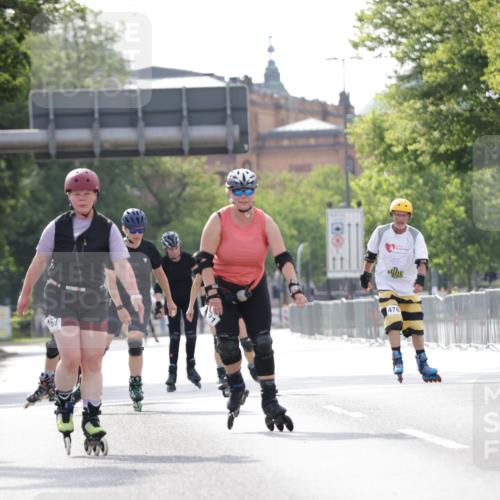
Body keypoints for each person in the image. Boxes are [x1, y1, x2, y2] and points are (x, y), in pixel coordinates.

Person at [17, 168, 144, 455]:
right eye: (77, 193)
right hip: (59, 295)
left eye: (88, 193)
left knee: (93, 362)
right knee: (71, 357)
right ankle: (63, 404)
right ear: (69, 197)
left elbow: (122, 265)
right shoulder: (56, 226)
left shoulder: (108, 228)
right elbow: (38, 262)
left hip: (93, 298)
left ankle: (91, 418)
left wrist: (134, 293)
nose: (82, 198)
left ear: (96, 195)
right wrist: (25, 293)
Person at [196, 168, 308, 431]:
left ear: (255, 191)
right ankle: (236, 385)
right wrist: (211, 292)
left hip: (254, 287)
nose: (243, 196)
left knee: (263, 342)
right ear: (229, 193)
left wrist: (295, 287)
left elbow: (283, 258)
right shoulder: (218, 220)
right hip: (222, 288)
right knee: (226, 345)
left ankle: (270, 399)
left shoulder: (265, 221)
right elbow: (203, 260)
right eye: (238, 191)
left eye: (248, 190)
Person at [360, 198, 441, 383]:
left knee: (416, 327)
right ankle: (397, 358)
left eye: (403, 215)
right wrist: (365, 276)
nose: (400, 218)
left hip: (409, 287)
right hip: (386, 286)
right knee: (394, 321)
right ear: (392, 215)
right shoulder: (381, 232)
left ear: (409, 217)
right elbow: (370, 256)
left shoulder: (415, 235)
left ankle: (423, 363)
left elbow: (422, 261)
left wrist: (420, 280)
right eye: (397, 214)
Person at [105, 208, 177, 411]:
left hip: (140, 303)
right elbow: (110, 282)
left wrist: (169, 300)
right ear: (124, 229)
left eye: (140, 229)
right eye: (132, 229)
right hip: (115, 300)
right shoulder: (114, 248)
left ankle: (135, 383)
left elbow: (161, 276)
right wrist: (119, 307)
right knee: (101, 347)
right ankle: (82, 381)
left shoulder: (149, 248)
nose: (137, 233)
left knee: (135, 341)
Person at [186, 275, 257, 397]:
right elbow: (196, 283)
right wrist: (191, 306)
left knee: (246, 342)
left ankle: (252, 366)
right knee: (220, 343)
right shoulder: (206, 261)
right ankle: (223, 373)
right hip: (214, 306)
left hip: (233, 303)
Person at [154, 231, 201, 392]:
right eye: (170, 249)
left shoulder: (189, 259)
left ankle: (191, 367)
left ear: (179, 246)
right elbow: (158, 285)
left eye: (176, 247)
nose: (174, 251)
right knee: (174, 336)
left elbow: (199, 279)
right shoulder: (163, 262)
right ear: (165, 249)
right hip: (172, 302)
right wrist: (159, 305)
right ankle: (172, 372)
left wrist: (204, 298)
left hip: (189, 301)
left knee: (191, 334)